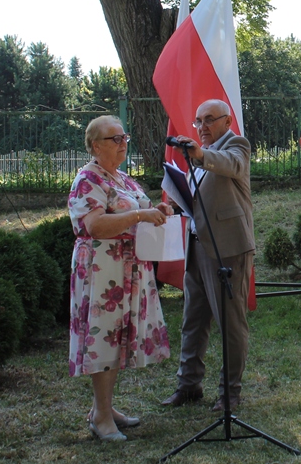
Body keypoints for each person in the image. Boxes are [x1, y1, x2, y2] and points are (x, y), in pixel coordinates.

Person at [68, 115, 172, 442]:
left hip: (128, 266)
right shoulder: (88, 179)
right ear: (95, 146)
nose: (122, 143)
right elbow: (95, 225)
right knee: (104, 338)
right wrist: (140, 214)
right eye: (114, 138)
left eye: (124, 137)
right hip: (103, 270)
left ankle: (104, 408)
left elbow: (137, 212)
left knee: (118, 338)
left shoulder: (122, 178)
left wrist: (157, 211)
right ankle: (101, 416)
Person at [162, 99, 254, 413]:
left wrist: (200, 155)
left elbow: (231, 164)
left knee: (230, 325)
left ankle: (230, 393)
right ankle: (188, 386)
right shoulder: (199, 155)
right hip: (197, 247)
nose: (202, 126)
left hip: (228, 248)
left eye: (210, 119)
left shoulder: (237, 145)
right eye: (198, 121)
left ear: (227, 121)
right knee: (193, 321)